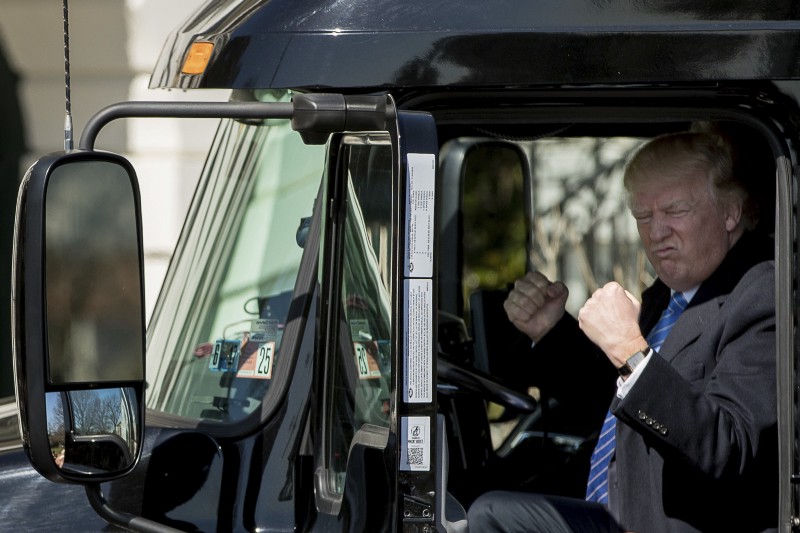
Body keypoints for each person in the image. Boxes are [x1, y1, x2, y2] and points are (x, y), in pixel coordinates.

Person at [468, 130, 777, 532]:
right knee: (482, 502)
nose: (656, 231)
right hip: (617, 505)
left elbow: (728, 446)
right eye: (643, 217)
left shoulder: (761, 291)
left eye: (675, 211)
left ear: (730, 212)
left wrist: (631, 351)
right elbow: (615, 404)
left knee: (490, 516)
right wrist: (550, 330)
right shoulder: (668, 295)